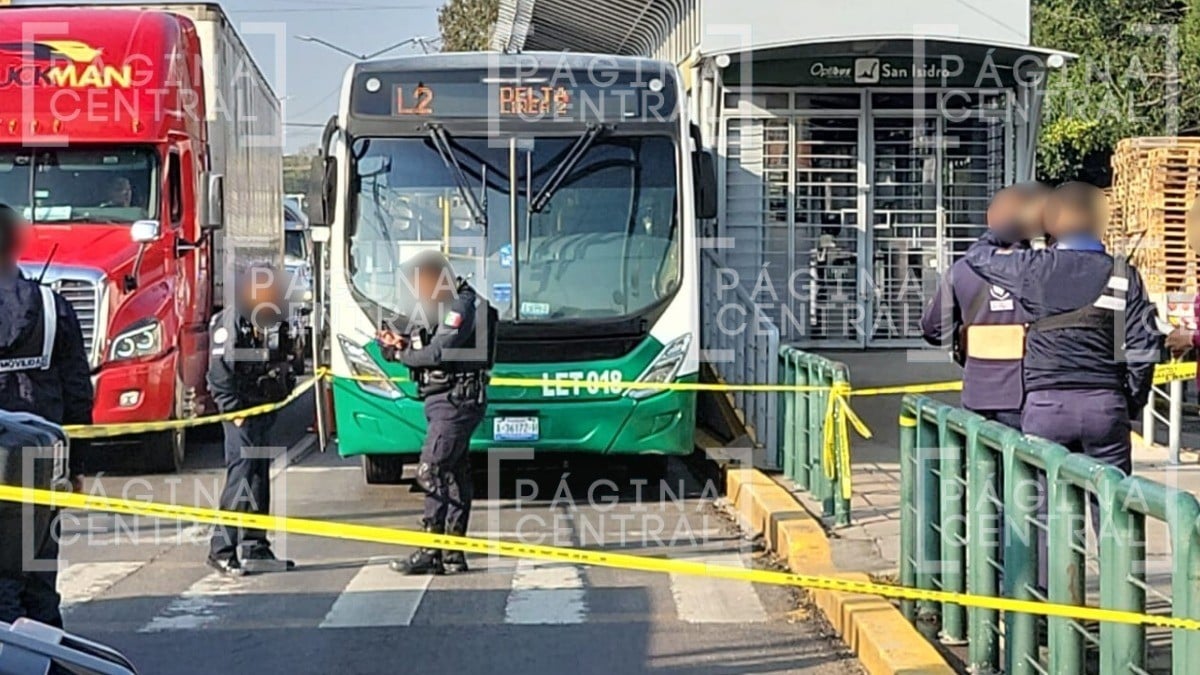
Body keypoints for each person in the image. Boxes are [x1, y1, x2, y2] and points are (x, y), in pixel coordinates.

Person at [962, 182, 1162, 474]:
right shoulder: (1123, 274)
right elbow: (1144, 345)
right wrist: (1129, 401)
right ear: (1100, 222)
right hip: (1104, 405)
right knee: (1112, 508)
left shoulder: (1034, 269)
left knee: (1043, 507)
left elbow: (978, 255)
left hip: (1046, 407)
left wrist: (1015, 224)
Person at [0, 204, 93, 628]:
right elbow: (77, 393)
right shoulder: (54, 308)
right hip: (40, 462)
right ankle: (44, 658)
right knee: (37, 572)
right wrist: (78, 466)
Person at [379, 251, 497, 575]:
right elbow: (420, 345)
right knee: (453, 474)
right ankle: (453, 553)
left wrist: (404, 353)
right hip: (444, 399)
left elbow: (437, 352)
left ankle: (433, 549)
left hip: (456, 401)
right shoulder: (441, 306)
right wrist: (396, 344)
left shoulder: (462, 305)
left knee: (431, 470)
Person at [921, 183, 1049, 428]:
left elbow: (933, 329)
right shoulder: (1046, 268)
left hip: (978, 395)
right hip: (1028, 396)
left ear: (991, 218)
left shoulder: (962, 270)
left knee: (981, 464)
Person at [206, 264, 297, 576]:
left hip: (262, 410)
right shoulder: (230, 323)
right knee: (241, 478)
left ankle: (255, 545)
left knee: (258, 477)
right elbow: (218, 374)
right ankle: (221, 548)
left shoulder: (269, 318)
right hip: (241, 414)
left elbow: (283, 358)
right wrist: (234, 412)